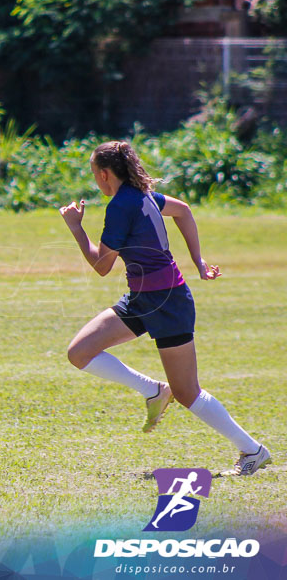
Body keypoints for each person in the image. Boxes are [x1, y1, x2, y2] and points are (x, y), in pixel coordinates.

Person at [60, 140, 271, 476]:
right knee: (79, 353)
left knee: (188, 393)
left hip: (167, 302)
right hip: (143, 298)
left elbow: (102, 266)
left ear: (103, 174)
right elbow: (183, 209)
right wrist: (198, 260)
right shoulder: (143, 195)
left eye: (93, 173)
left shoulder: (120, 206)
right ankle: (154, 390)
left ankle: (253, 451)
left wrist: (75, 227)